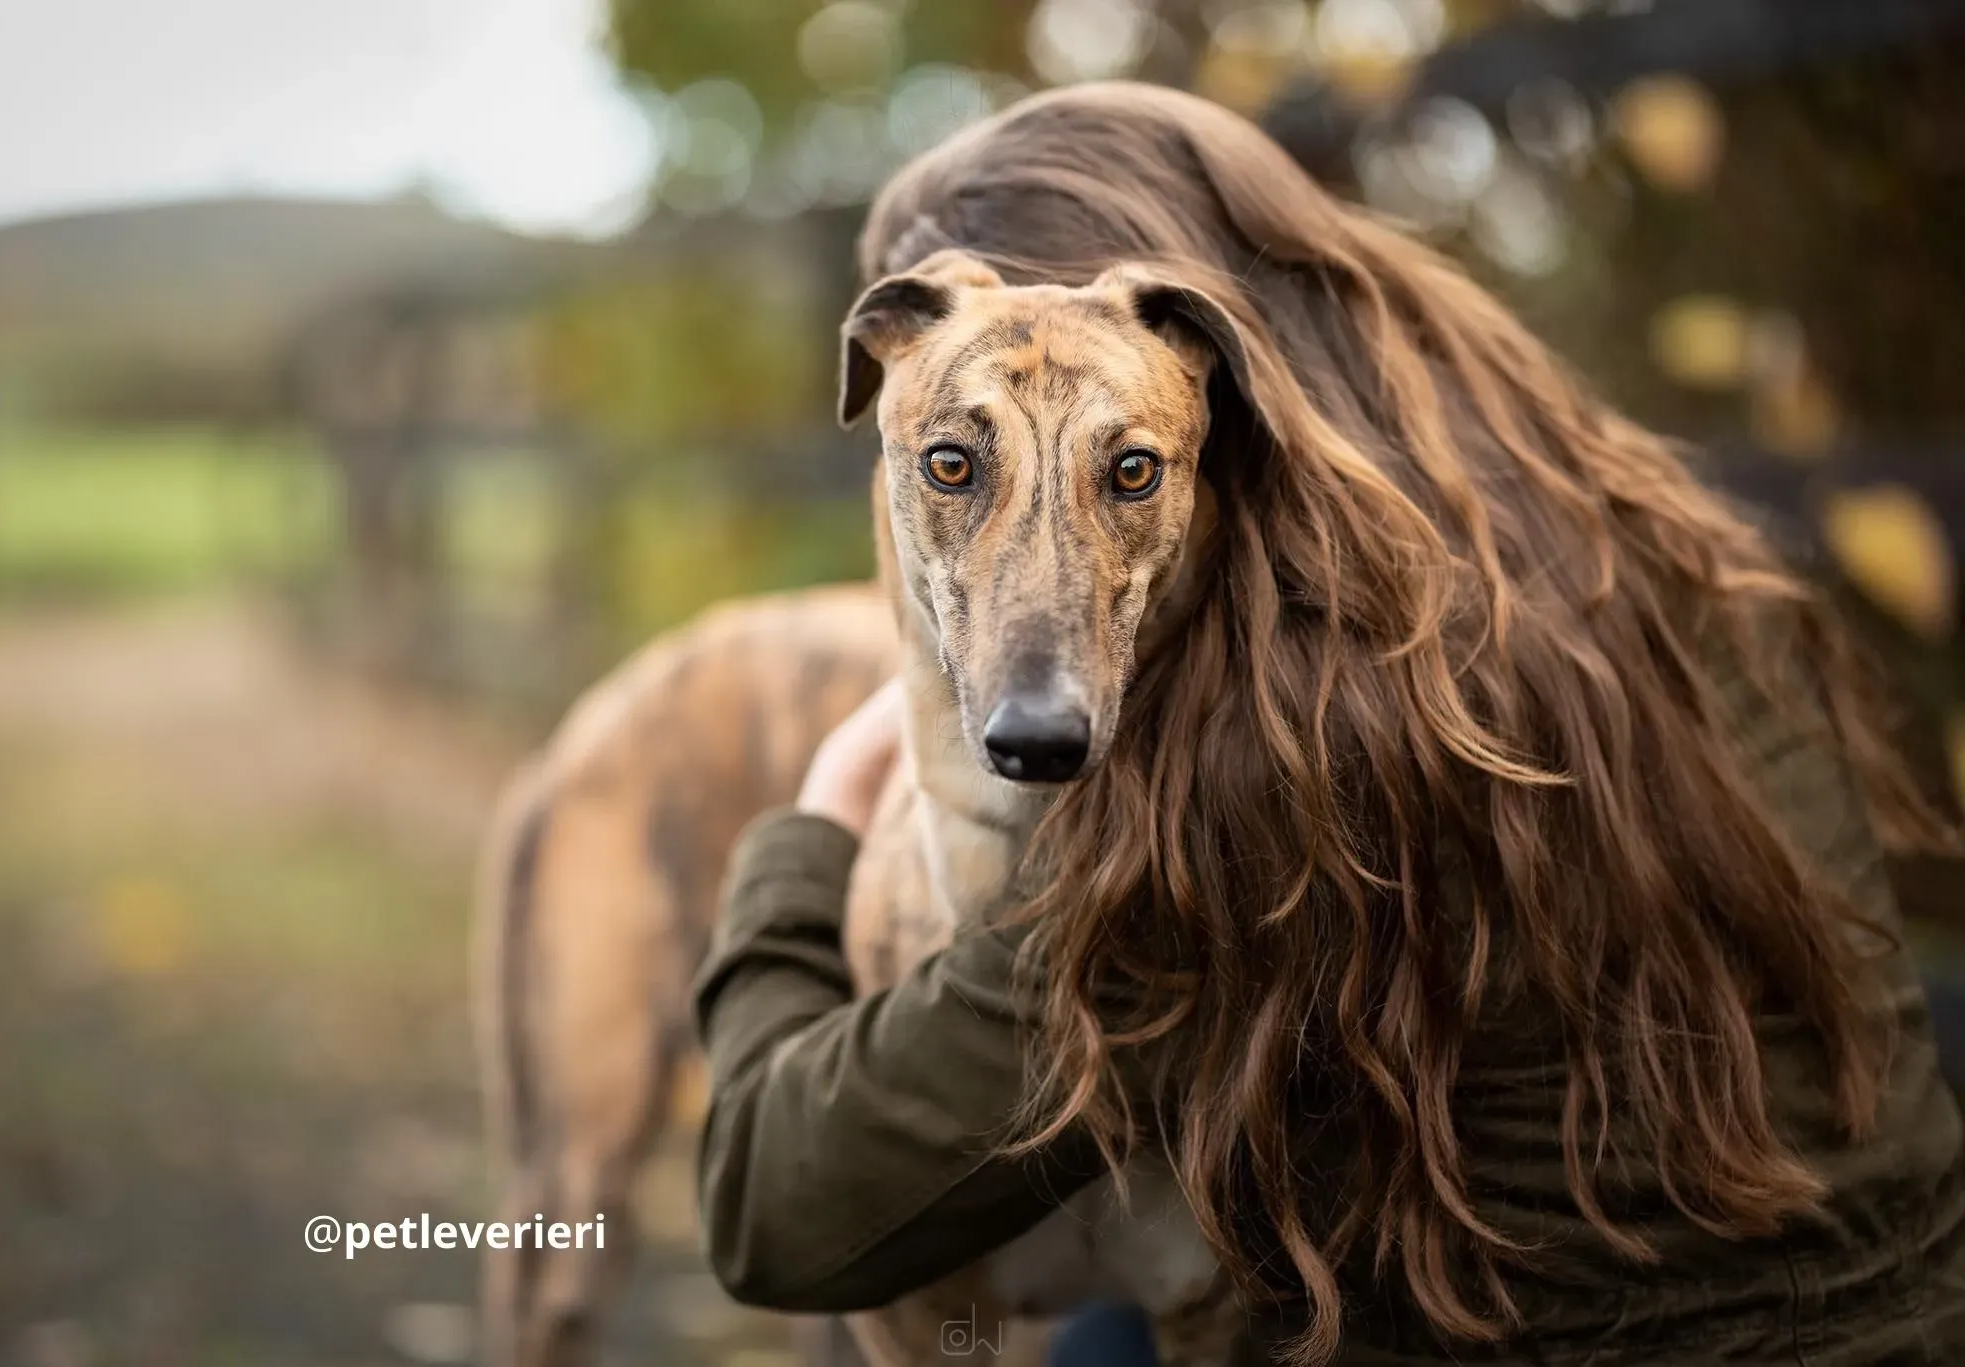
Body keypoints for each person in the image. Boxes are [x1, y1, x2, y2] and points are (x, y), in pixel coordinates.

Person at [692, 83, 1965, 1364]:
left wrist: (811, 826)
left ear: (1203, 367)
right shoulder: (1659, 546)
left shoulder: (1267, 747)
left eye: (1122, 467)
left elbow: (778, 1213)